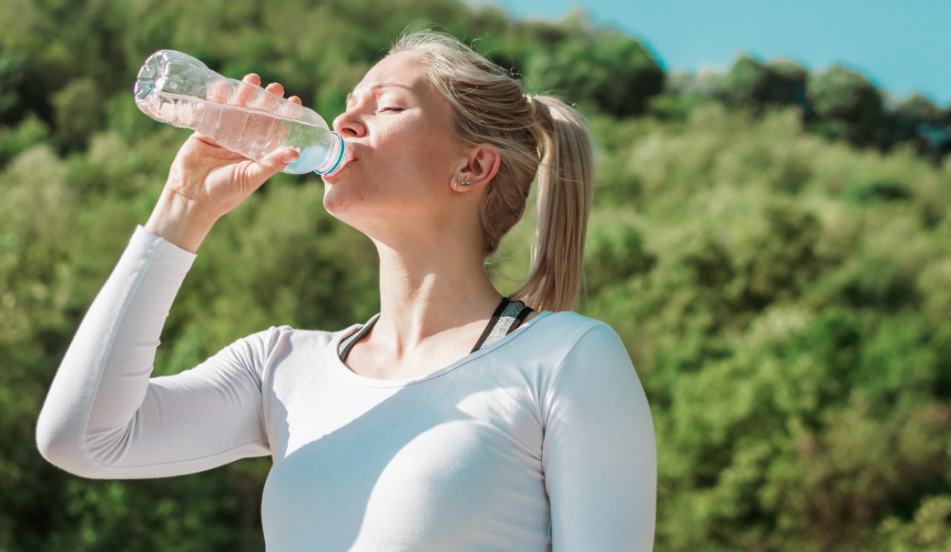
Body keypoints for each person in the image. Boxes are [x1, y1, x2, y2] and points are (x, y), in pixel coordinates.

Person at [36, 30, 658, 550]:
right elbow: (82, 438)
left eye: (385, 107)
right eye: (348, 103)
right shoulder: (279, 367)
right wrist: (183, 209)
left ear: (471, 166)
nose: (342, 121)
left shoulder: (566, 358)